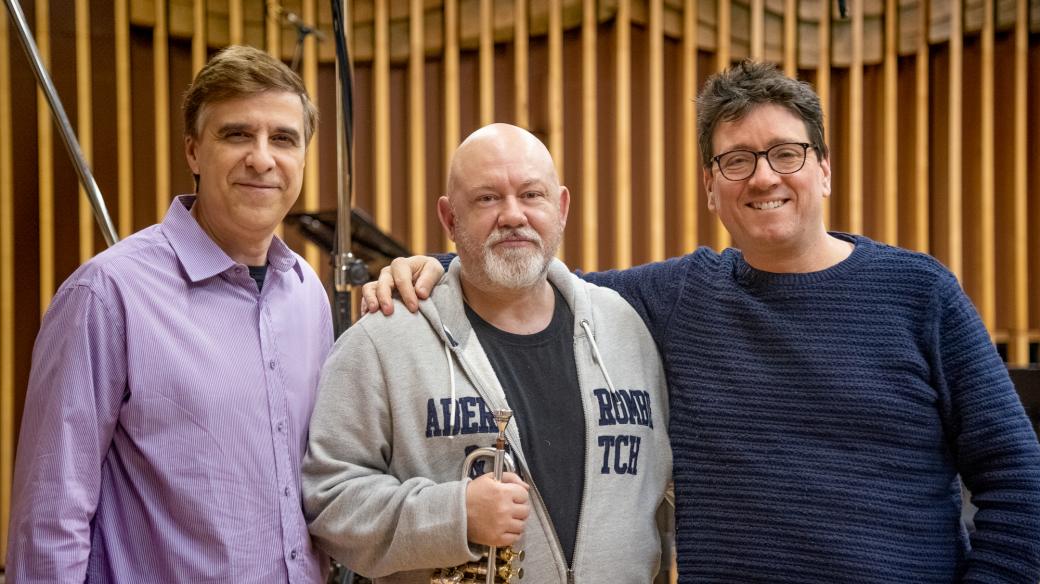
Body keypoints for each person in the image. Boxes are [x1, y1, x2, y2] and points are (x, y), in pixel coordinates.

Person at [362, 61, 1040, 582]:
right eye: (736, 160)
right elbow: (528, 279)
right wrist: (436, 266)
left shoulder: (918, 292)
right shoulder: (683, 295)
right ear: (712, 187)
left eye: (786, 153)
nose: (763, 176)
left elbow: (1016, 473)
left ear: (824, 170)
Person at [6, 45, 332, 582]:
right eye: (236, 135)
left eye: (283, 139)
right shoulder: (107, 294)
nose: (262, 158)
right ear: (192, 151)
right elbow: (50, 520)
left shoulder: (307, 293)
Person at [302, 123, 672, 583]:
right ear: (449, 219)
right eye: (487, 198)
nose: (512, 215)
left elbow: (657, 502)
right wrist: (453, 514)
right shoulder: (382, 342)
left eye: (531, 195)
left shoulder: (626, 328)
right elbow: (329, 500)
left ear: (561, 208)